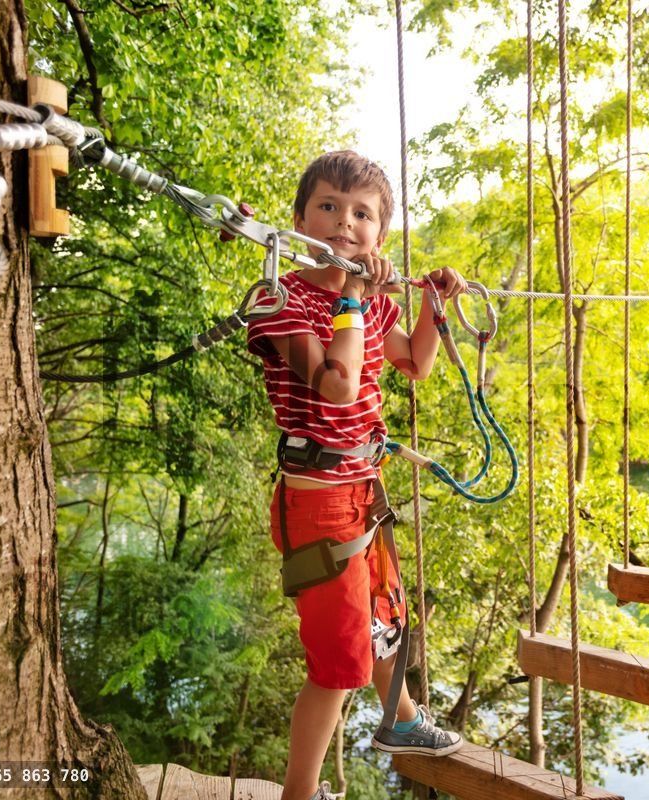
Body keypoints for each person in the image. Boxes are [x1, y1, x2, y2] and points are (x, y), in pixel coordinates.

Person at [246, 151, 467, 800]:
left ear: (380, 235)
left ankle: (401, 723)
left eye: (362, 213)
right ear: (298, 218)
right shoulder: (278, 299)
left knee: (385, 622)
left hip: (362, 493)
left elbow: (416, 364)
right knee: (339, 666)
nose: (345, 222)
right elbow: (337, 387)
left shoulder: (370, 303)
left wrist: (433, 304)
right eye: (329, 207)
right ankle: (300, 793)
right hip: (316, 506)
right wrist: (351, 298)